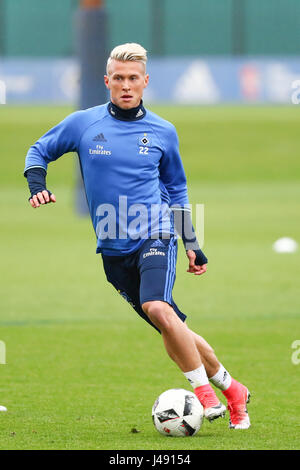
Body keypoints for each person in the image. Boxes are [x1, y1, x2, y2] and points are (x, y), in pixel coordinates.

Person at [24, 43, 250, 429]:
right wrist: (36, 185)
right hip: (112, 247)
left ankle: (204, 394)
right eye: (119, 78)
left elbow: (176, 189)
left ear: (145, 82)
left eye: (133, 79)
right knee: (173, 325)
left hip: (156, 233)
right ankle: (233, 390)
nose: (126, 86)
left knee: (158, 308)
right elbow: (38, 150)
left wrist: (191, 243)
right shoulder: (84, 123)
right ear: (107, 81)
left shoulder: (163, 131)